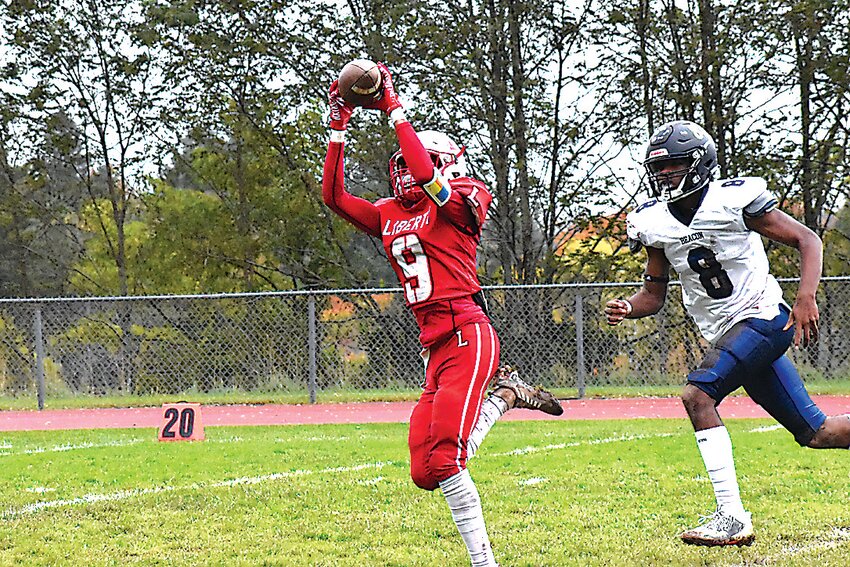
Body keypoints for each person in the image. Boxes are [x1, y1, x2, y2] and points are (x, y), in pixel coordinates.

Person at [322, 62, 563, 566]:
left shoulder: (465, 197)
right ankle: (507, 397)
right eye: (403, 166)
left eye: (419, 163)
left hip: (467, 332)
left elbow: (431, 177)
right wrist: (338, 125)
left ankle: (484, 562)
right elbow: (335, 198)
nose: (407, 171)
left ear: (449, 162)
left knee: (447, 459)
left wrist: (393, 108)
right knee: (422, 471)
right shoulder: (390, 212)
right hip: (433, 345)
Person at [604, 120, 850, 547]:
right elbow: (653, 294)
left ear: (700, 162)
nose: (664, 175)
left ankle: (732, 516)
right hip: (726, 331)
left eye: (674, 165)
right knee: (817, 433)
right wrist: (629, 307)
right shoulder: (653, 222)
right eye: (658, 168)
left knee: (697, 396)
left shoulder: (733, 200)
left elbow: (808, 239)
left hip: (763, 317)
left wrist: (806, 296)